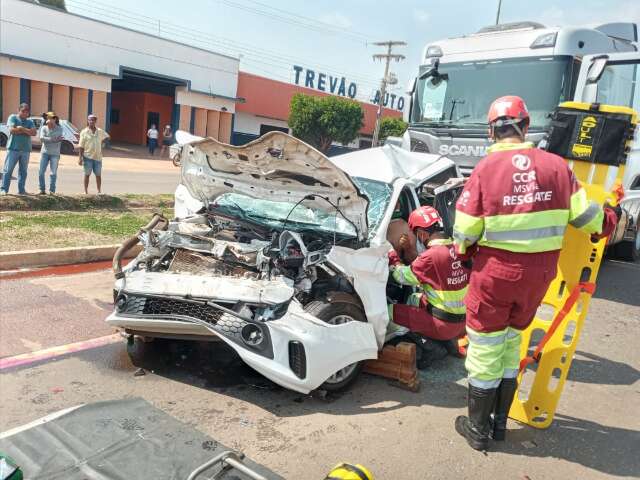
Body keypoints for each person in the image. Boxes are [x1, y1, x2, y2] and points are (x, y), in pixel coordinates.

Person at [452, 95, 619, 451]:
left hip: (495, 273)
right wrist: (610, 217)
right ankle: (499, 424)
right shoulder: (557, 167)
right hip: (539, 276)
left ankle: (478, 429)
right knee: (513, 342)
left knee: (484, 347)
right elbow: (590, 219)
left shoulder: (486, 170)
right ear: (526, 126)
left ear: (491, 132)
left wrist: (464, 255)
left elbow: (464, 231)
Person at [388, 206, 470, 361]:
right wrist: (410, 249)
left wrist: (393, 257)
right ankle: (449, 342)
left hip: (442, 324)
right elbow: (424, 270)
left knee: (389, 311)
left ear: (422, 233)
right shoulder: (459, 248)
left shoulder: (430, 257)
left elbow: (401, 276)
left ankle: (431, 347)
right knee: (413, 298)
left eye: (415, 234)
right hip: (463, 322)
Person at [1, 103, 36, 195]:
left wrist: (21, 129)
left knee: (23, 171)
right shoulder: (13, 118)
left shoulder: (30, 122)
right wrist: (26, 131)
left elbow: (34, 133)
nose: (25, 113)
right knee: (8, 170)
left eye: (27, 111)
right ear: (18, 110)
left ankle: (21, 190)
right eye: (23, 111)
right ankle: (4, 189)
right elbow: (12, 130)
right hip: (13, 149)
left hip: (25, 150)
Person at [78, 114, 110, 195]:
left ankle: (99, 191)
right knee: (87, 174)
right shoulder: (84, 132)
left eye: (93, 120)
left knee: (98, 175)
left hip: (98, 157)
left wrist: (102, 142)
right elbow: (81, 146)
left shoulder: (100, 131)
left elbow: (108, 137)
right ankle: (85, 191)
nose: (91, 121)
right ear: (88, 121)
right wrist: (80, 158)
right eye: (90, 120)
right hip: (87, 157)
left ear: (96, 121)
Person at [38, 112, 63, 195]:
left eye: (51, 118)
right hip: (44, 152)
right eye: (48, 118)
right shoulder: (44, 128)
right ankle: (42, 189)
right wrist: (53, 139)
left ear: (55, 119)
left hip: (55, 154)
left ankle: (52, 191)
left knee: (53, 173)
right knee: (41, 172)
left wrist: (49, 138)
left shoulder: (60, 128)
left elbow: (58, 138)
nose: (49, 119)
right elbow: (41, 139)